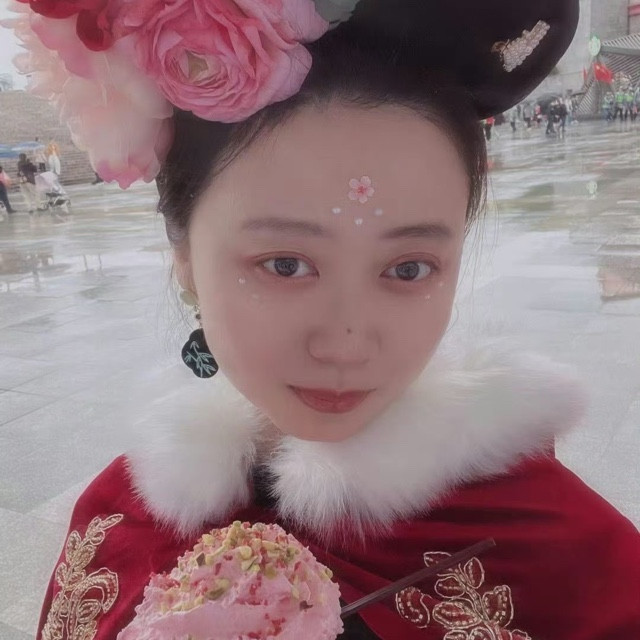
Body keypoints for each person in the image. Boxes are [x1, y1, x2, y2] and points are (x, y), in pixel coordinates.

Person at [8, 1, 637, 639]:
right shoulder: (118, 523)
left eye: (410, 268)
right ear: (185, 259)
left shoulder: (566, 562)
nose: (346, 343)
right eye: (284, 264)